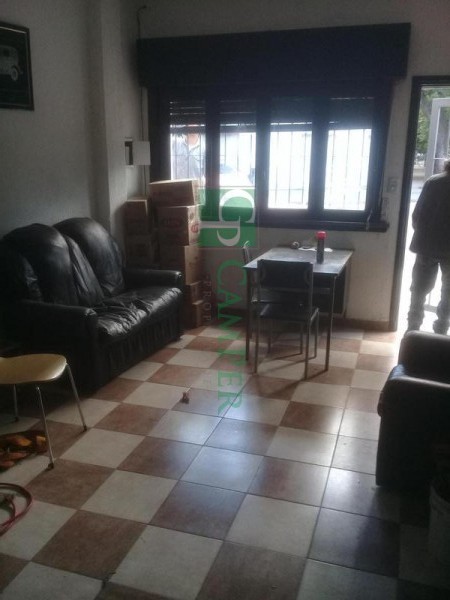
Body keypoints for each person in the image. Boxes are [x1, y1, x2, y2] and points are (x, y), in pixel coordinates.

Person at [407, 158, 450, 334]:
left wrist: (422, 232)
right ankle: (441, 332)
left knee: (419, 289)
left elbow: (417, 215)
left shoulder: (433, 182)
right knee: (448, 293)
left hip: (427, 245)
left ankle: (412, 329)